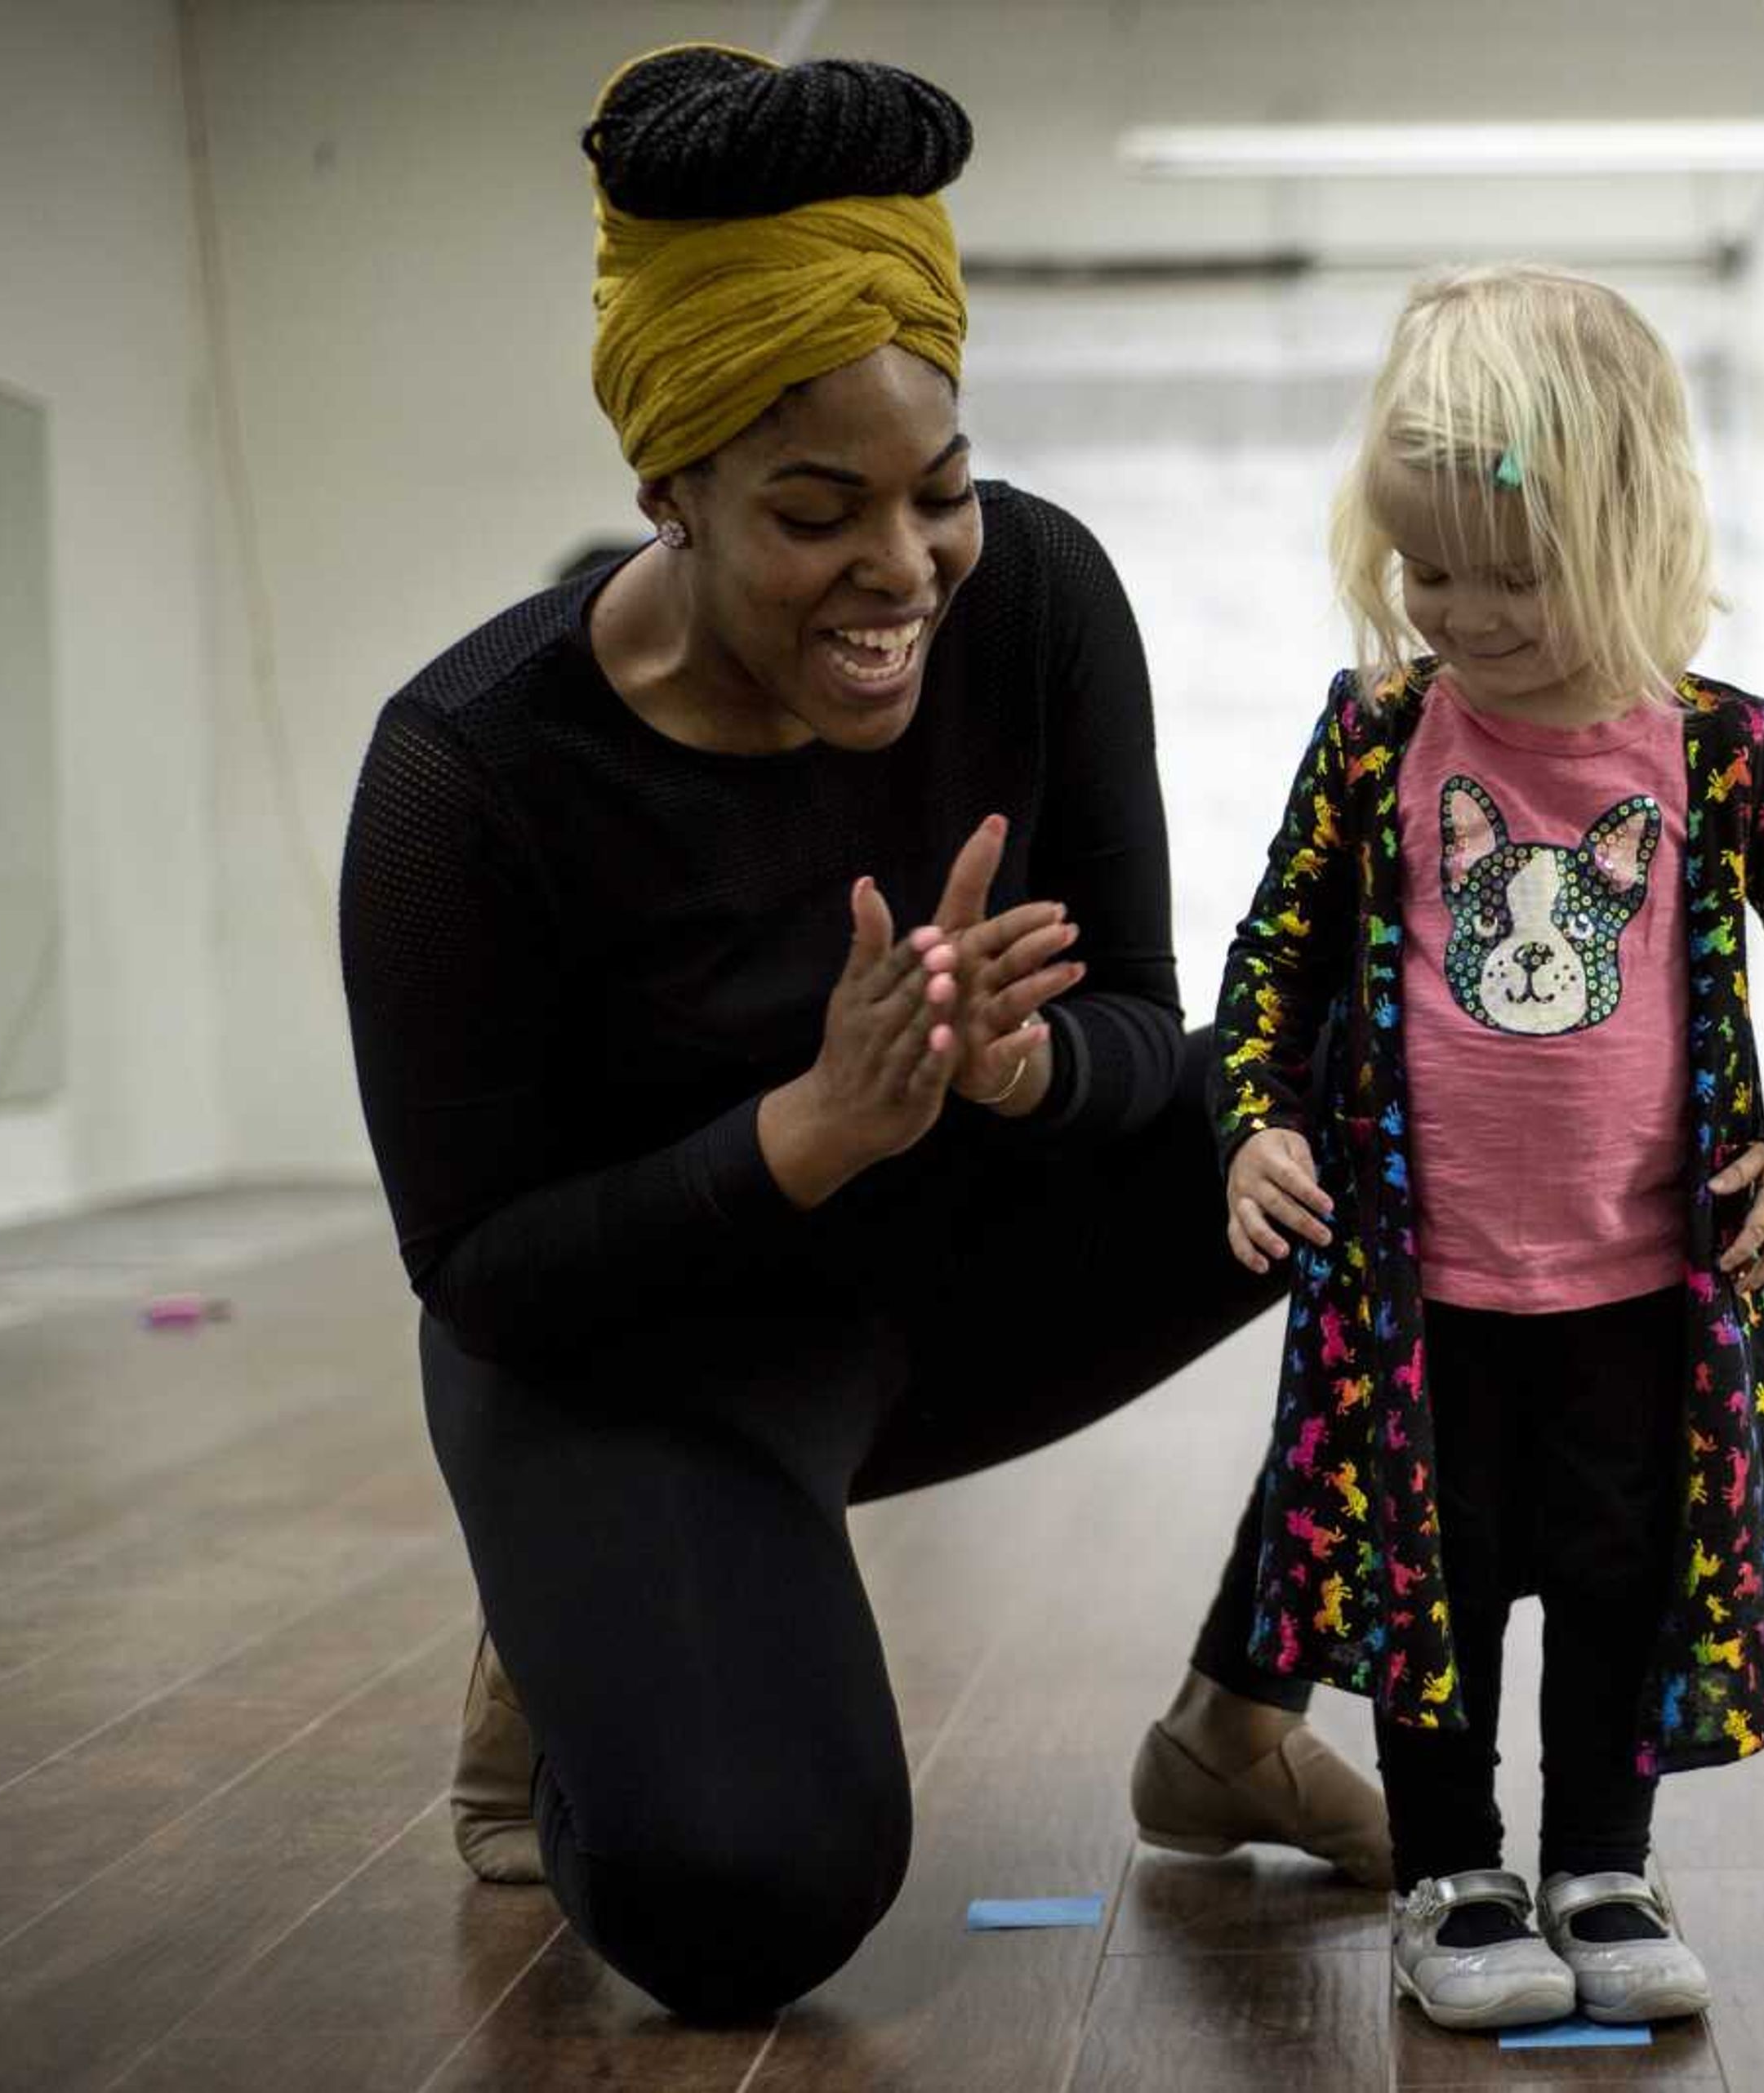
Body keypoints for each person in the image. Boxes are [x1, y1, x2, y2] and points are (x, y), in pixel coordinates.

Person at [336, 42, 1384, 2024]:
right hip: (632, 1359)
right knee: (745, 1907)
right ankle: (573, 1633)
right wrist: (806, 1130)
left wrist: (1024, 1073)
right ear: (669, 492)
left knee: (1394, 1084)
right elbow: (479, 1273)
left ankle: (1237, 1717)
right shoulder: (463, 775)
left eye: (942, 493)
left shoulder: (1045, 596)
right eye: (817, 512)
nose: (902, 571)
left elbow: (1165, 1033)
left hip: (950, 1272)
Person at [1208, 265, 1764, 2032]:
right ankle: (1452, 1873)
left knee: (1613, 1579)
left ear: (1632, 529)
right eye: (1428, 571)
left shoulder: (1714, 751)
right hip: (1417, 1291)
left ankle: (1601, 1854)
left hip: (1641, 1289)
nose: (1464, 610)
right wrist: (1253, 1126)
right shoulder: (1381, 739)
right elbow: (1270, 958)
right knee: (1430, 1591)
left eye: (1507, 573)